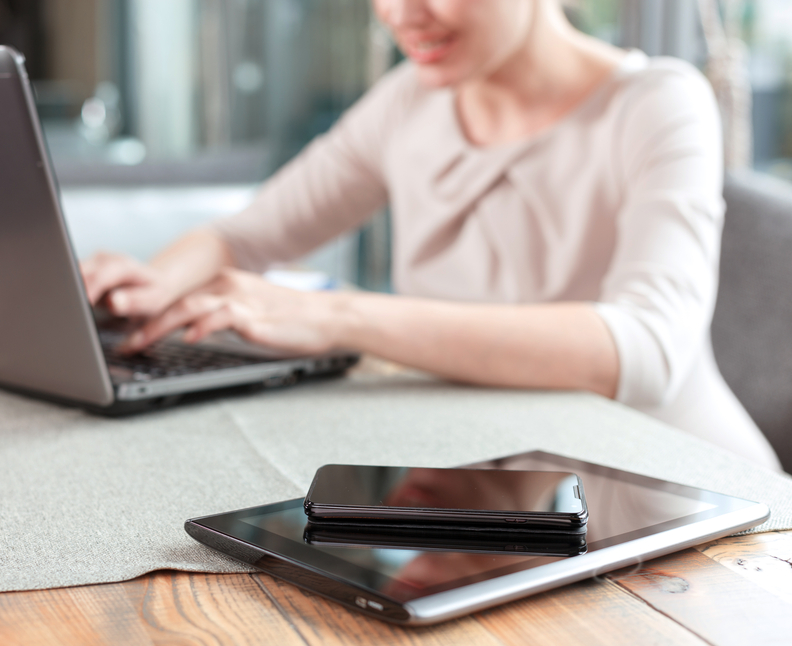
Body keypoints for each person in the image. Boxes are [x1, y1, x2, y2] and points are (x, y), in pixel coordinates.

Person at [81, 0, 781, 470]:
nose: (400, 14)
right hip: (499, 478)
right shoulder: (412, 101)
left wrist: (337, 315)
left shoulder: (659, 102)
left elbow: (646, 349)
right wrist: (157, 283)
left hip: (682, 486)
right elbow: (244, 235)